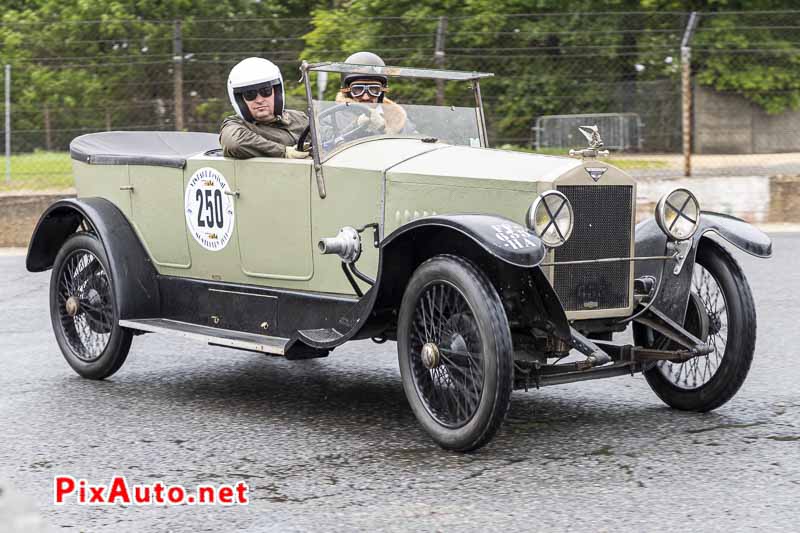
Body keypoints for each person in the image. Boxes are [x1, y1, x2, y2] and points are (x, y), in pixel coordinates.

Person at [219, 57, 309, 159]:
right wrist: (284, 152)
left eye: (266, 91)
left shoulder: (299, 118)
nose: (259, 100)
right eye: (250, 94)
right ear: (241, 100)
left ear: (276, 92)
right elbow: (234, 143)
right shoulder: (234, 126)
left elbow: (326, 138)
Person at [334, 51, 412, 135]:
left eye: (373, 89)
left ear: (382, 91)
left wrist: (384, 128)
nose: (366, 97)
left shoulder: (398, 118)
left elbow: (414, 144)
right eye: (358, 89)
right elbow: (327, 143)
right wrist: (355, 126)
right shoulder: (333, 118)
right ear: (347, 91)